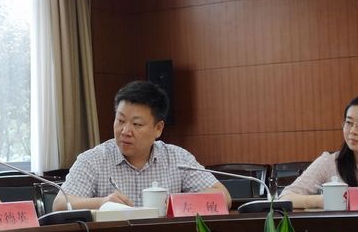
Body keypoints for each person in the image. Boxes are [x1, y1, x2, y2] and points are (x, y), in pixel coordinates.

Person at [56, 80, 231, 211]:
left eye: (137, 124)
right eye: (120, 120)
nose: (125, 131)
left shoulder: (177, 158)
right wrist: (101, 203)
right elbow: (60, 204)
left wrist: (176, 203)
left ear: (158, 128)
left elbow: (223, 197)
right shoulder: (93, 159)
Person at [280, 94, 358, 209]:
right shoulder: (329, 163)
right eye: (349, 122)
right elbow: (286, 197)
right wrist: (325, 200)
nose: (353, 131)